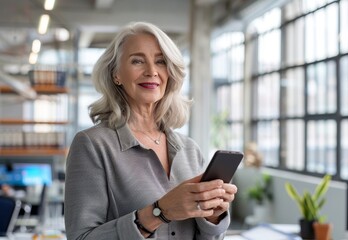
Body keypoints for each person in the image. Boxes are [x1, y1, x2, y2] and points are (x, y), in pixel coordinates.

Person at [64, 21, 238, 240]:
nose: (152, 71)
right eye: (137, 60)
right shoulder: (92, 145)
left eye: (161, 62)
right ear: (116, 74)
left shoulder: (189, 150)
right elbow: (81, 237)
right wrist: (160, 211)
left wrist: (213, 217)